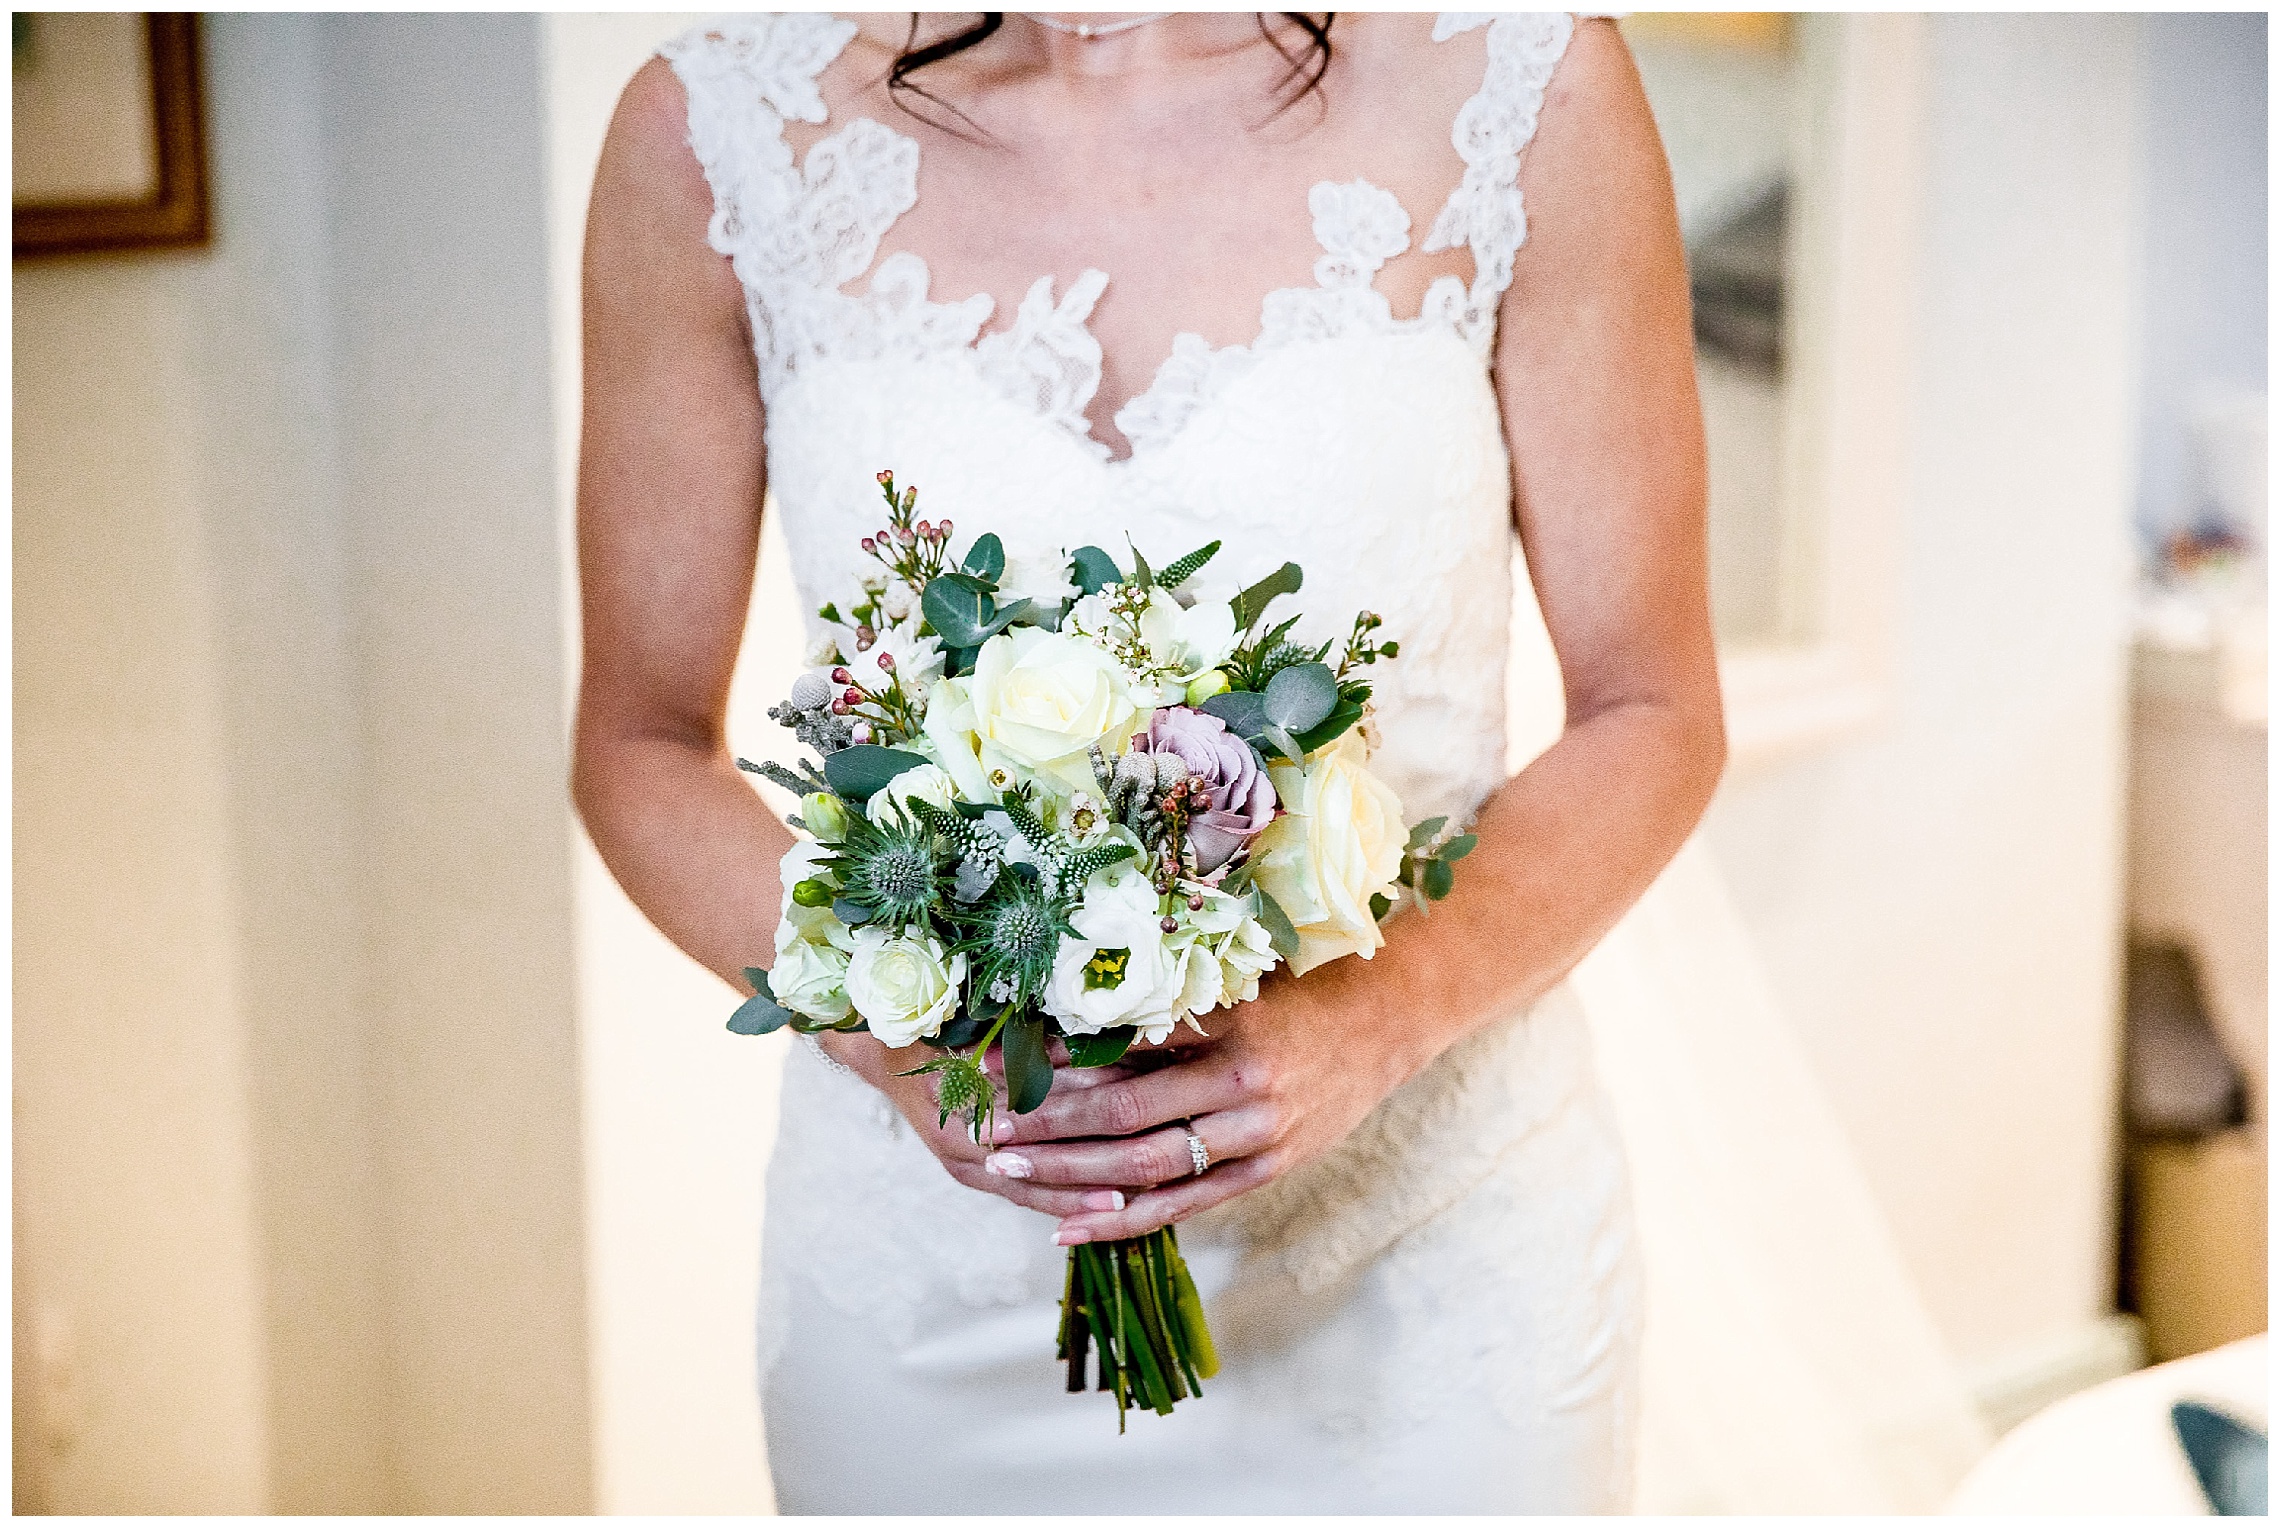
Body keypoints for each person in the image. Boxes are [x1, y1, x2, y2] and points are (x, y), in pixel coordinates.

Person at [573, 12, 1722, 1512]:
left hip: (1428, 1279)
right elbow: (640, 745)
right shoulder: (710, 130)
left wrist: (1380, 1013)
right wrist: (901, 1043)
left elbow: (1653, 709)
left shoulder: (1526, 84)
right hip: (931, 1307)